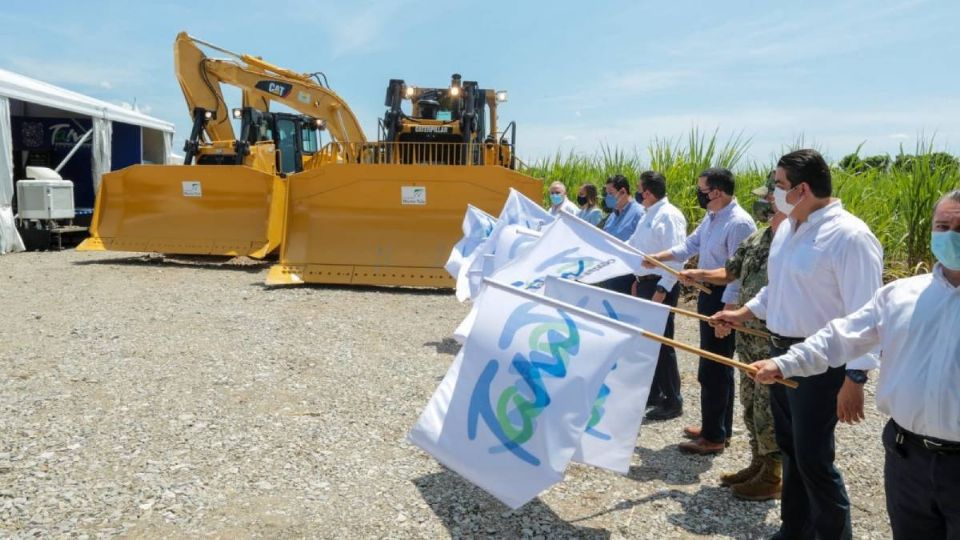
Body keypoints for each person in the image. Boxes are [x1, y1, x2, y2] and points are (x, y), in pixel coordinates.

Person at [752, 189, 960, 539]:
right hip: (907, 459)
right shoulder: (902, 295)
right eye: (943, 226)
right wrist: (784, 363)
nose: (951, 236)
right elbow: (841, 336)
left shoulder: (850, 236)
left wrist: (853, 381)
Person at [711, 149, 883, 540]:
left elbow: (868, 313)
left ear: (803, 189)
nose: (773, 192)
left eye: (779, 185)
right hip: (781, 352)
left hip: (821, 361)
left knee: (815, 458)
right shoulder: (788, 228)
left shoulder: (850, 236)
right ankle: (796, 527)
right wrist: (743, 313)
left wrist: (855, 376)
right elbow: (780, 288)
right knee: (790, 448)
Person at [679, 172, 783, 500]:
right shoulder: (759, 238)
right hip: (748, 334)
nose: (765, 202)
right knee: (751, 402)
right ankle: (758, 463)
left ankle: (773, 474)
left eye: (770, 196)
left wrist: (732, 308)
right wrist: (699, 273)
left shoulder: (792, 241)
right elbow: (730, 271)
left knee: (770, 408)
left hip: (773, 337)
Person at [645, 167, 756, 454]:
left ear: (717, 192)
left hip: (724, 298)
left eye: (702, 189)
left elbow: (737, 274)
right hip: (710, 295)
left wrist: (729, 312)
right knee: (715, 366)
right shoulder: (712, 217)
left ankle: (714, 437)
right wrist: (660, 258)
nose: (699, 194)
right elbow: (689, 245)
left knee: (715, 368)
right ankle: (716, 427)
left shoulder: (739, 223)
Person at [626, 171, 687, 421]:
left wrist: (663, 289)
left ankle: (673, 400)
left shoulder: (669, 216)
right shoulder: (648, 215)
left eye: (640, 189)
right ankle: (654, 393)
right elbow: (634, 247)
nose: (638, 194)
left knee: (663, 343)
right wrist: (635, 278)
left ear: (648, 192)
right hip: (644, 284)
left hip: (659, 286)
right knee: (648, 342)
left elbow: (678, 257)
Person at [598, 174, 644, 295]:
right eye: (606, 193)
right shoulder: (612, 216)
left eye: (610, 193)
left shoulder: (639, 213)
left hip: (627, 278)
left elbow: (643, 248)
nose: (607, 197)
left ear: (623, 191)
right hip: (609, 273)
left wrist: (638, 279)